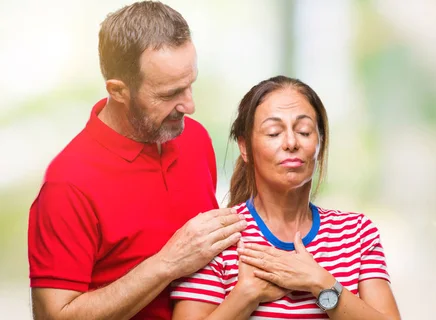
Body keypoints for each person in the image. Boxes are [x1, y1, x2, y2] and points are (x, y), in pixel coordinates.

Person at [27, 2, 247, 319]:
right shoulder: (67, 184)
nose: (190, 105)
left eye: (191, 84)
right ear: (118, 90)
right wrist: (168, 263)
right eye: (170, 93)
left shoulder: (194, 138)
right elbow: (55, 316)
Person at [170, 75, 401, 319]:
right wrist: (246, 295)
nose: (291, 142)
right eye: (273, 133)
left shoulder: (357, 233)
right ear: (245, 147)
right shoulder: (217, 236)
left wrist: (319, 282)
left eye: (304, 131)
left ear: (320, 143)